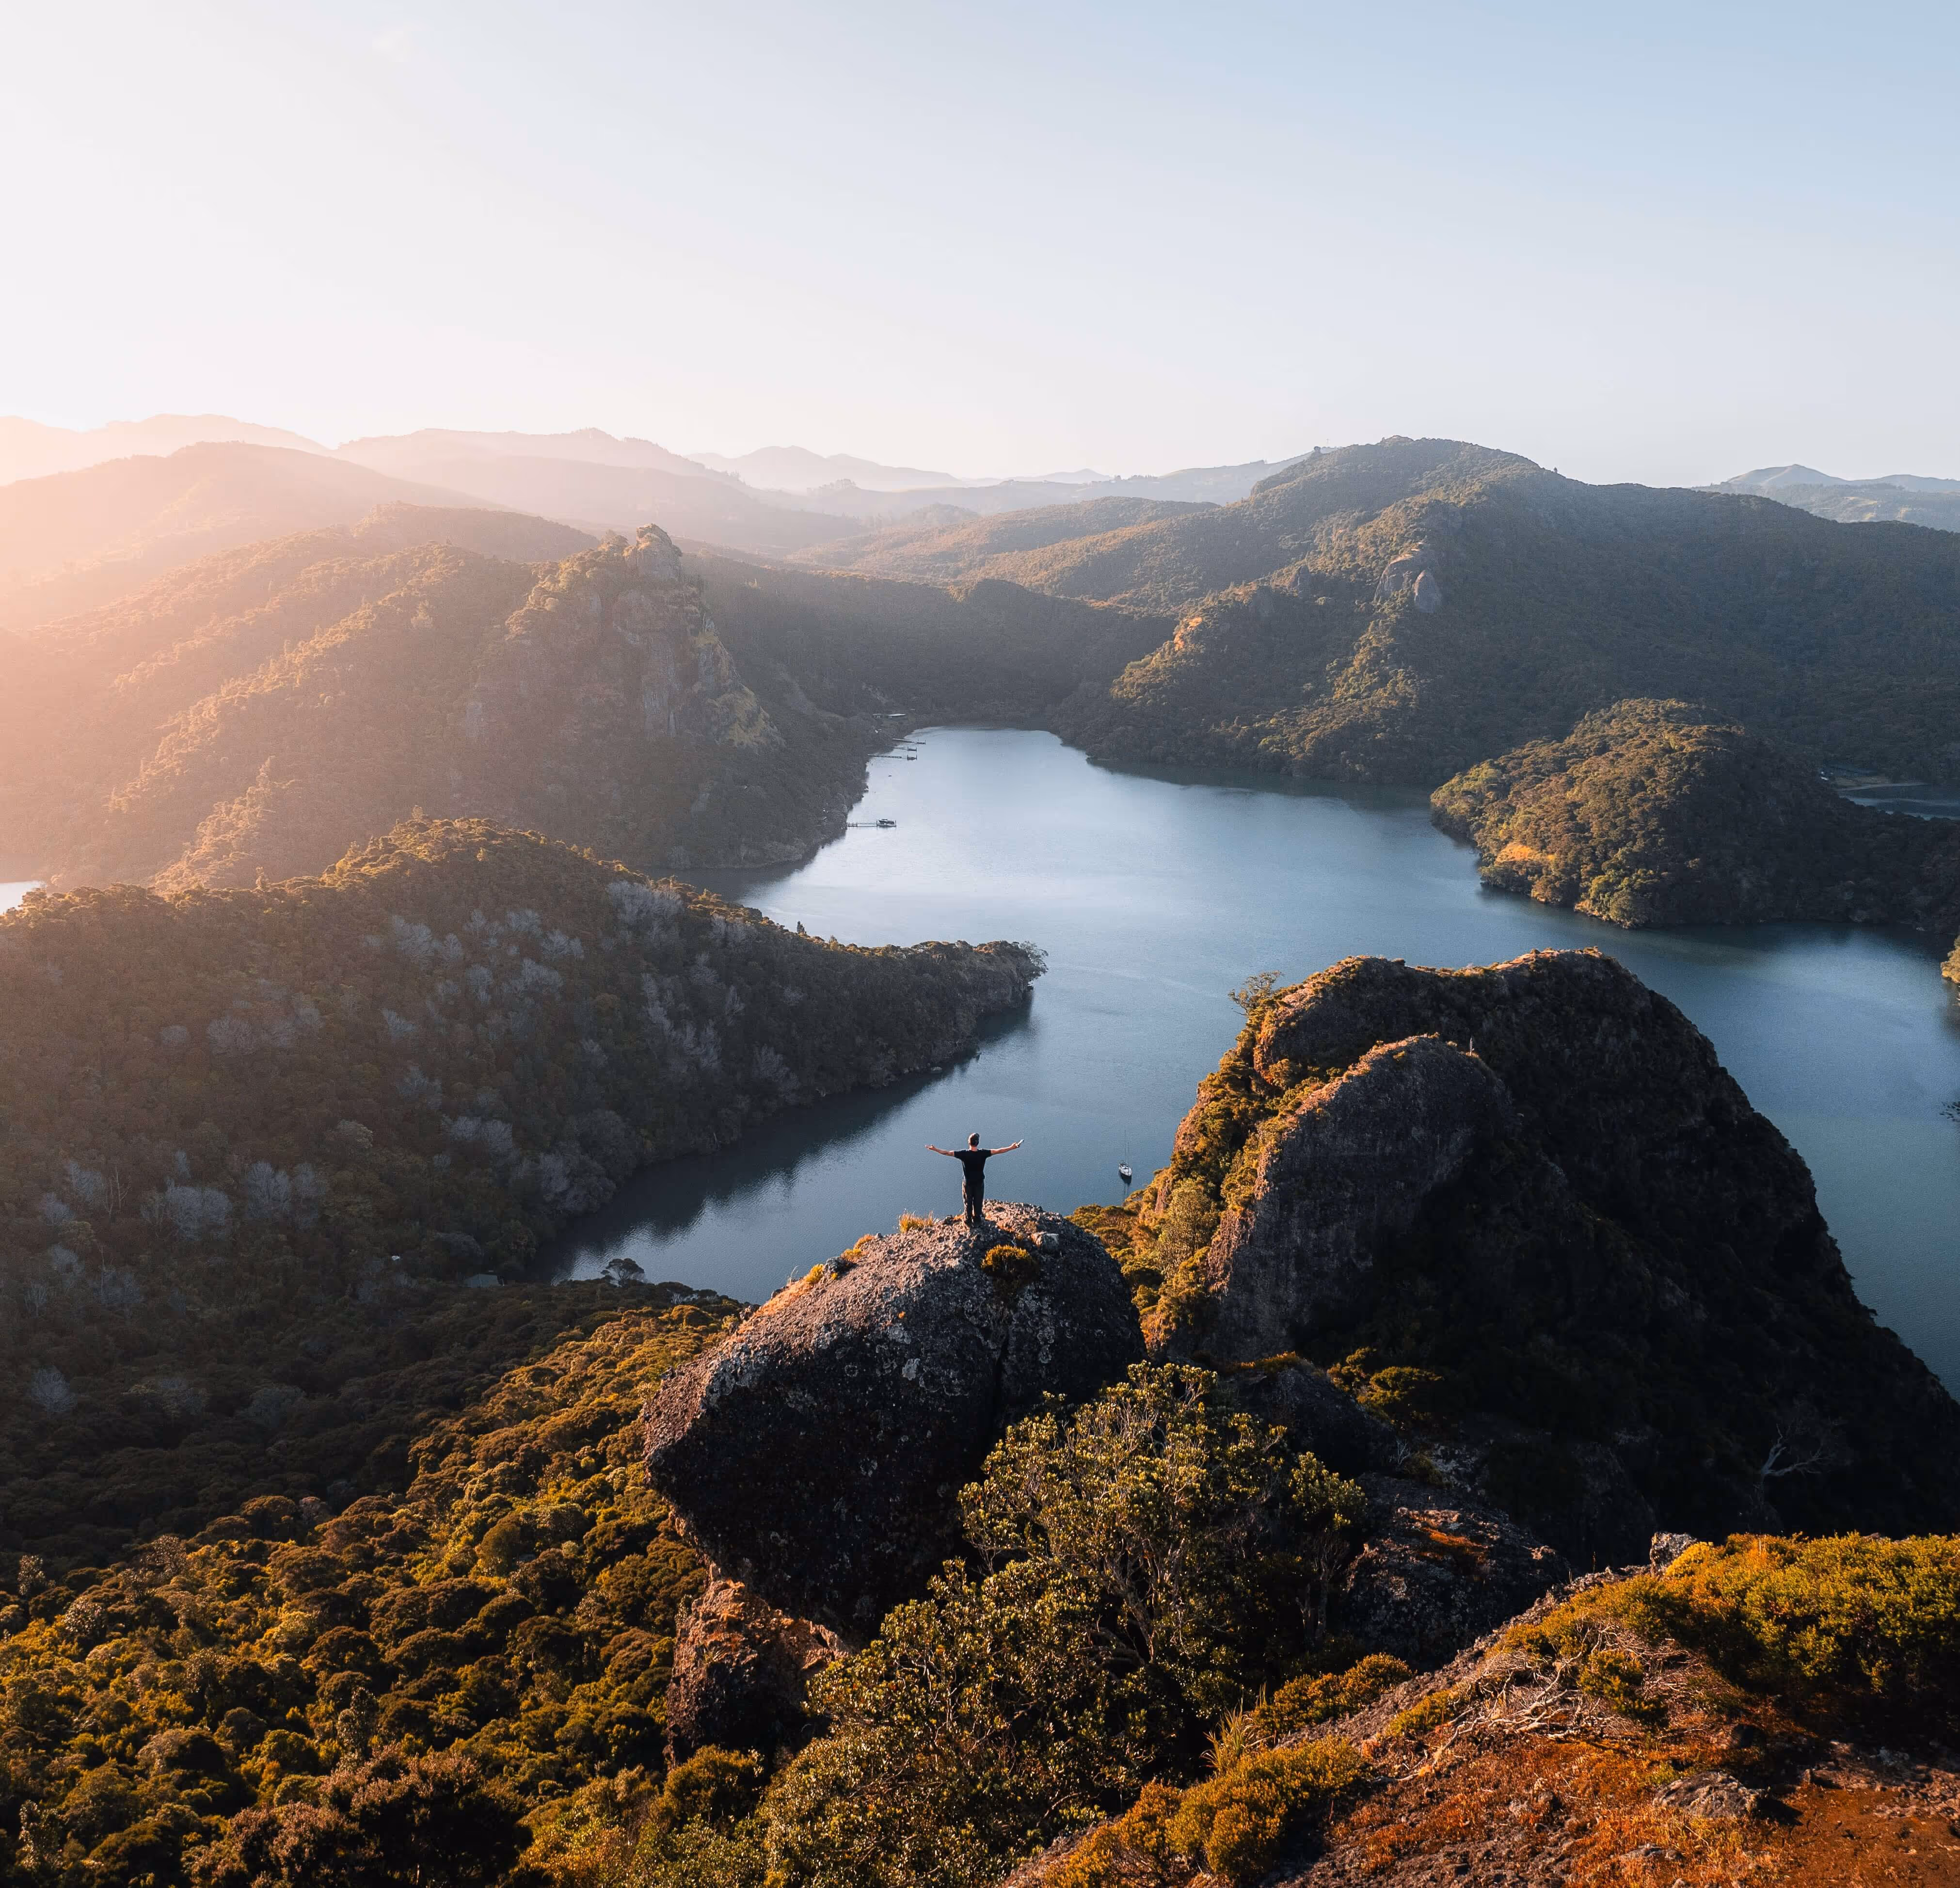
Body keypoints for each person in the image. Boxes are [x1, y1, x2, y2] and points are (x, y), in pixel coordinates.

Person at [927, 1131, 1022, 1227]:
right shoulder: (983, 1153)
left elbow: (947, 1153)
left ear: (969, 1143)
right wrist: (1012, 1147)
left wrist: (935, 1149)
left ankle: (968, 1220)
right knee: (978, 1201)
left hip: (968, 1183)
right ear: (978, 1143)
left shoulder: (963, 1154)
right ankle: (977, 1220)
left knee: (968, 1201)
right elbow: (999, 1151)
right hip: (979, 1182)